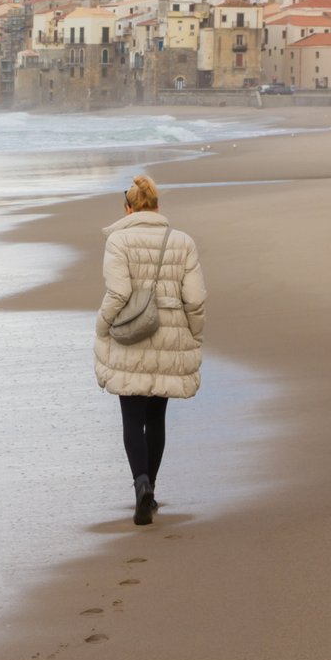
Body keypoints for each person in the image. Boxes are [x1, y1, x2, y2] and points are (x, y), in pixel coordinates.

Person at [94, 174, 206, 526]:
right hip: (170, 335)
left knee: (132, 416)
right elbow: (196, 298)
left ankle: (140, 484)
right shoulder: (182, 241)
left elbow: (118, 293)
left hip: (132, 334)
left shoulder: (119, 241)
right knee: (157, 417)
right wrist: (195, 335)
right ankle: (152, 490)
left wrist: (102, 327)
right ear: (158, 206)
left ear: (128, 209)